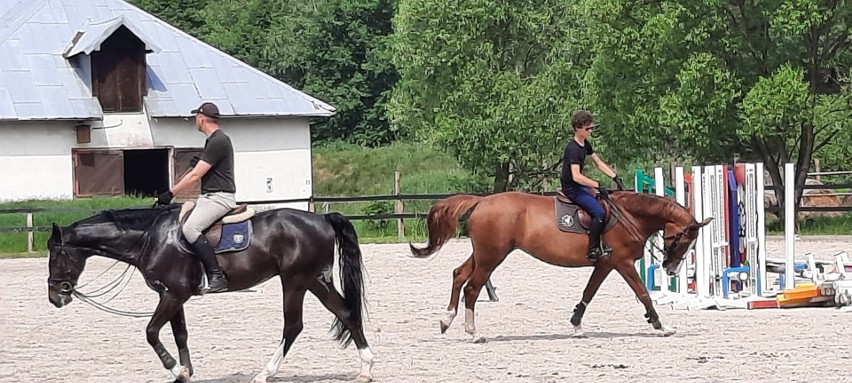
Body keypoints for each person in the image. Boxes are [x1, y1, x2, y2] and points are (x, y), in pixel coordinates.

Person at [156, 102, 236, 293]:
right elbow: (200, 170)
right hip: (209, 196)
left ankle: (216, 276)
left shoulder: (219, 140)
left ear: (201, 118)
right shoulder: (214, 140)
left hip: (219, 198)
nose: (194, 121)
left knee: (191, 228)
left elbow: (194, 176)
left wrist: (171, 193)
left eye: (195, 118)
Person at [559, 110, 625, 261]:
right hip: (571, 187)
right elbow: (576, 176)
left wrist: (614, 176)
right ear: (578, 128)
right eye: (588, 128)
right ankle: (593, 248)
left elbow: (598, 162)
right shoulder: (573, 149)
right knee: (599, 212)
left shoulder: (585, 144)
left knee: (606, 201)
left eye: (591, 128)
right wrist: (597, 184)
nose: (591, 130)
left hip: (578, 185)